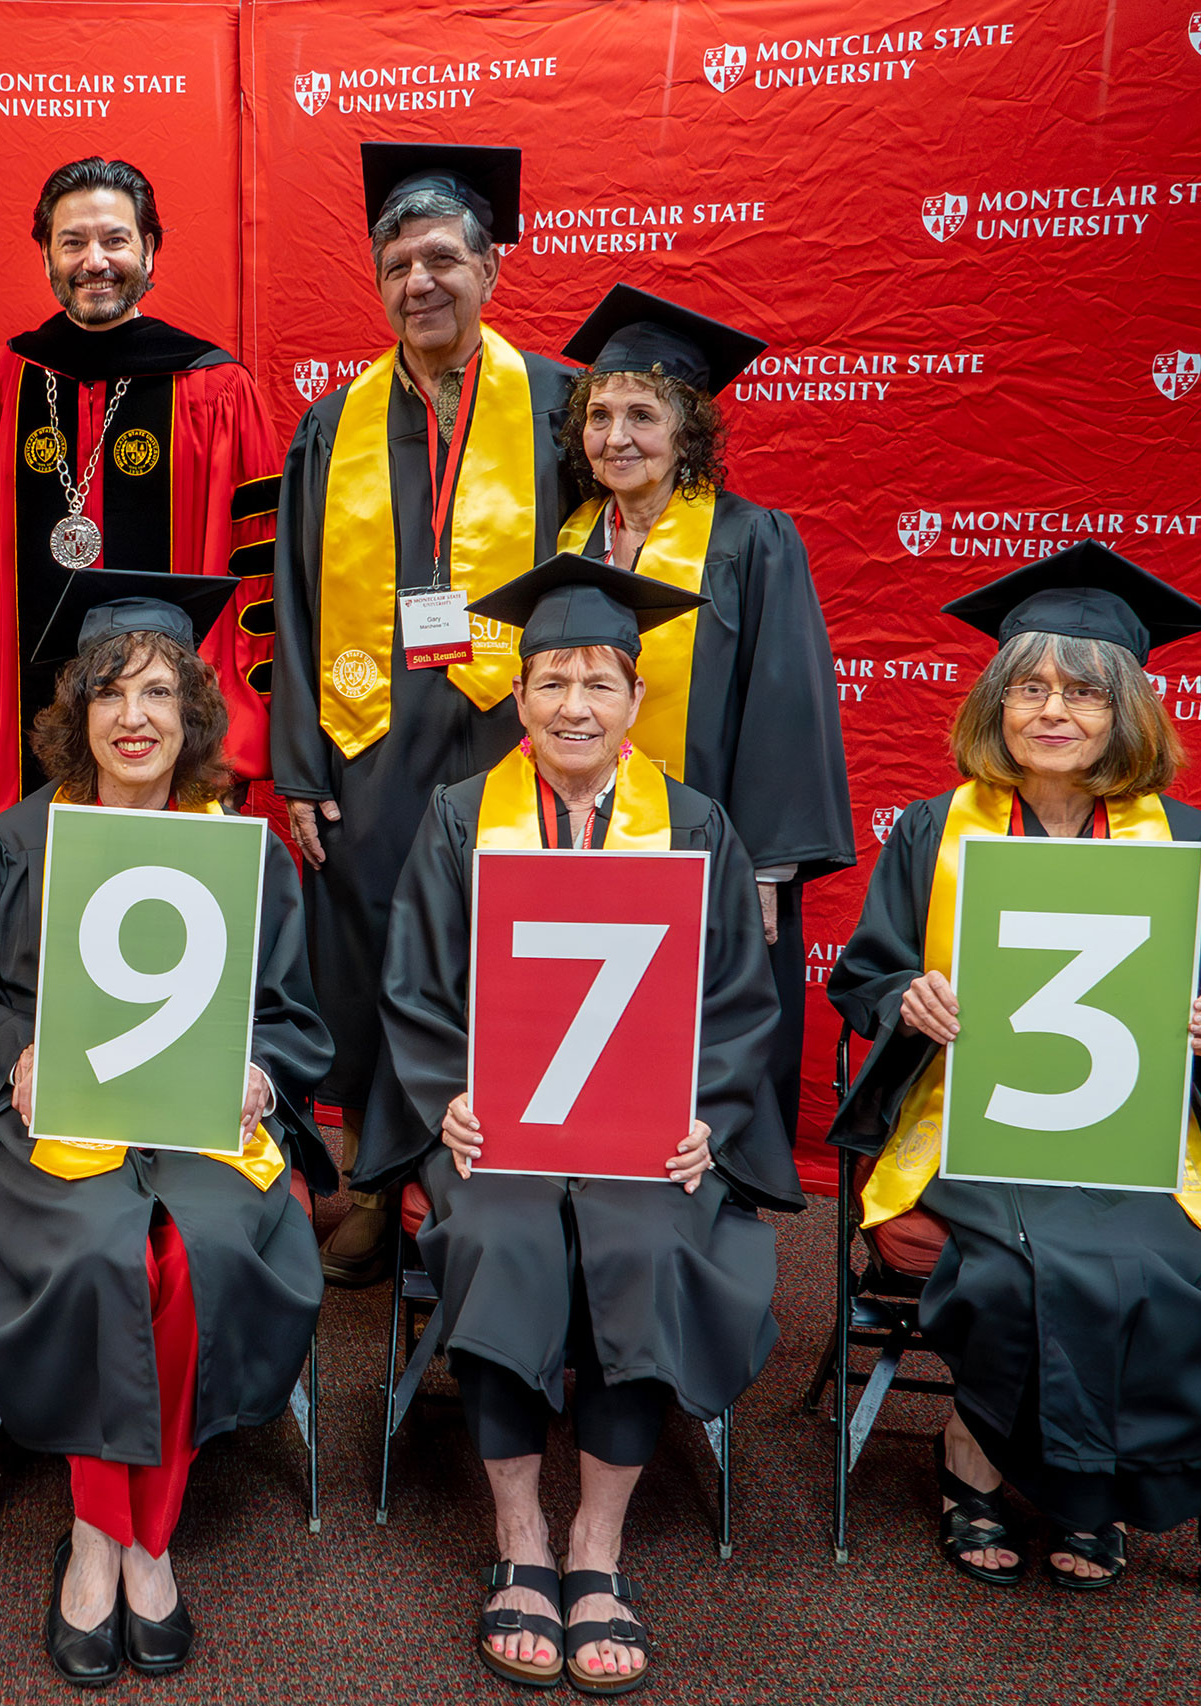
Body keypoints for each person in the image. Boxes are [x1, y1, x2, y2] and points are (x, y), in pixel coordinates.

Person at [367, 553, 799, 1694]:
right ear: (516, 699)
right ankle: (518, 1532)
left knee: (645, 1237)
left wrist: (707, 1116)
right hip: (498, 1132)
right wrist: (445, 1095)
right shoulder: (462, 818)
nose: (572, 704)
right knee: (504, 1235)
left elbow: (740, 1000)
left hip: (643, 1135)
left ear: (635, 702)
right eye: (551, 679)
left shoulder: (694, 824)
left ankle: (595, 1543)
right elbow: (413, 986)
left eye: (598, 682)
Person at [827, 542, 1201, 1593]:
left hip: (1130, 1129)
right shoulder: (935, 831)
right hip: (968, 1125)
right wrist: (905, 999)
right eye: (1028, 686)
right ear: (995, 702)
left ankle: (1099, 1482)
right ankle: (974, 1455)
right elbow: (862, 976)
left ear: (1124, 711)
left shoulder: (1193, 843)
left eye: (1081, 692)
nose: (1051, 710)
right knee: (1014, 1260)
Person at [0, 569, 332, 1685]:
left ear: (193, 713)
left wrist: (260, 1072)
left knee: (191, 1244)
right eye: (109, 692)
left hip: (200, 1121)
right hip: (52, 1123)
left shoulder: (239, 851)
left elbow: (292, 1014)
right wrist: (9, 1051)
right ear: (77, 715)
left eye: (159, 692)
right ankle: (107, 1534)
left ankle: (135, 1537)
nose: (135, 716)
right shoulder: (15, 842)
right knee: (99, 1243)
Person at [268, 142, 579, 1288]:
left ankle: (498, 1168)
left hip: (516, 725)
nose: (420, 283)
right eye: (398, 264)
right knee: (366, 946)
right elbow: (294, 603)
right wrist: (299, 761)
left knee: (502, 940)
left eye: (444, 258)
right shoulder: (332, 422)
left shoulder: (558, 405)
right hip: (370, 732)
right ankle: (370, 1169)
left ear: (491, 266)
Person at [555, 283, 855, 1138]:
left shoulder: (751, 539)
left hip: (711, 848)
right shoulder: (566, 538)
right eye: (599, 415)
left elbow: (787, 702)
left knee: (700, 1043)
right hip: (580, 840)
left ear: (688, 429)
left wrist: (763, 866)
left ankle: (706, 1203)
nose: (617, 437)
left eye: (643, 414)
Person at [0, 156, 285, 829]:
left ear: (149, 249)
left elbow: (259, 575)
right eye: (72, 242)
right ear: (45, 254)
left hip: (175, 746)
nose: (93, 261)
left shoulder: (215, 389)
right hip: (20, 736)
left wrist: (233, 736)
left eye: (114, 240)